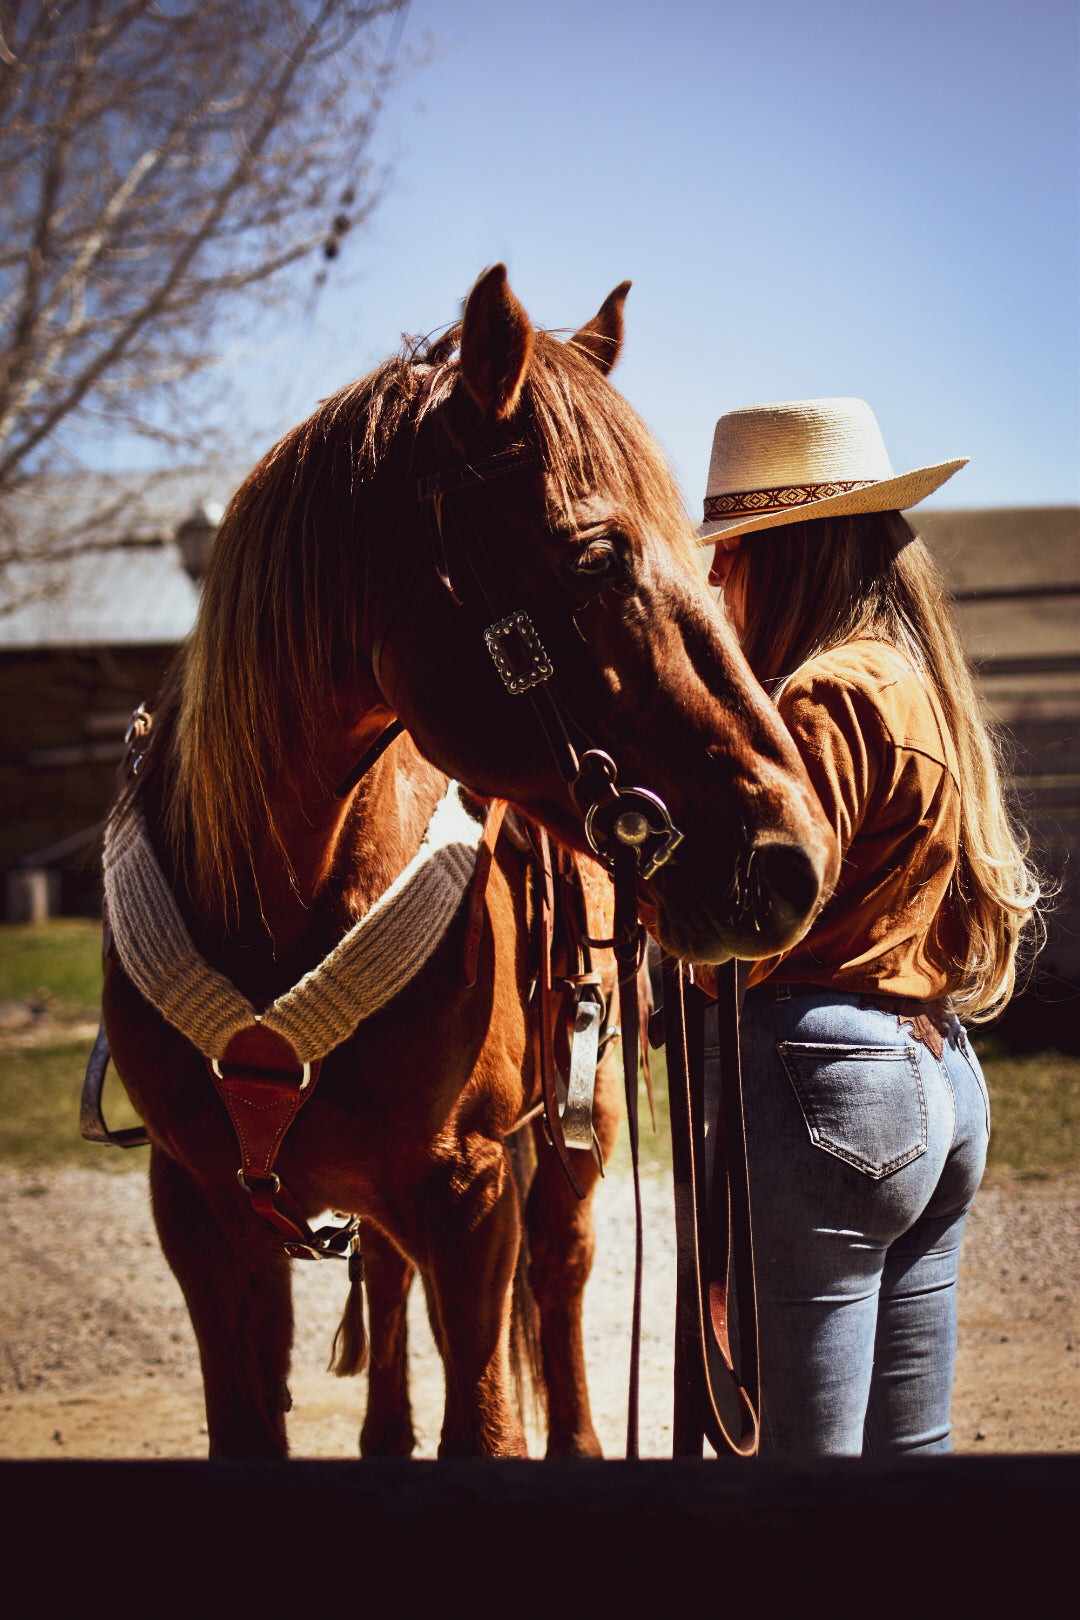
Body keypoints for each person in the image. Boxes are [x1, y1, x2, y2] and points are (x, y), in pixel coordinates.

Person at [697, 397, 1042, 1455]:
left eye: (735, 552)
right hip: (935, 1076)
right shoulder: (914, 683)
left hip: (826, 1083)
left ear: (786, 555)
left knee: (805, 1483)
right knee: (909, 1464)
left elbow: (756, 914)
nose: (716, 581)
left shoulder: (822, 699)